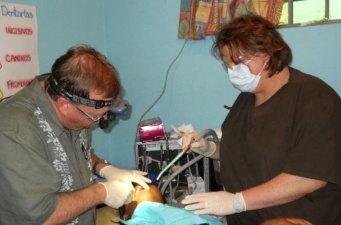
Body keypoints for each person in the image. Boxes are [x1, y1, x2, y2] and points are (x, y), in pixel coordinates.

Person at [180, 15, 341, 225]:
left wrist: (236, 202)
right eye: (227, 63)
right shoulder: (245, 99)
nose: (232, 71)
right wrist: (210, 149)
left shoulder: (314, 99)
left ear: (268, 53)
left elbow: (310, 176)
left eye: (238, 61)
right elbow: (252, 150)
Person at [0, 45, 151, 225]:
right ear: (64, 105)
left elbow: (74, 152)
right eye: (95, 117)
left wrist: (103, 168)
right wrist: (102, 192)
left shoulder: (74, 105)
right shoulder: (16, 133)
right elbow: (41, 216)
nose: (100, 120)